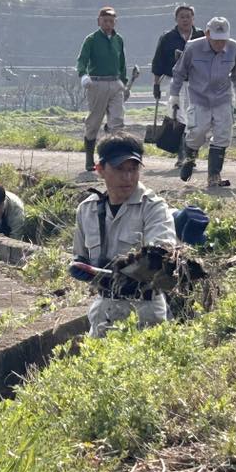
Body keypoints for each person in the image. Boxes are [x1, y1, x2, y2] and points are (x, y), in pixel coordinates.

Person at [70, 133, 176, 338]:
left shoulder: (153, 207)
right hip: (103, 309)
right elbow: (80, 256)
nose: (128, 178)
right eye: (119, 169)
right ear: (100, 169)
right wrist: (79, 267)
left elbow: (161, 256)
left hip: (145, 311)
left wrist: (124, 272)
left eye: (133, 169)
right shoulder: (87, 209)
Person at [170, 16, 236, 188]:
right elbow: (179, 72)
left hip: (223, 98)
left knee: (223, 135)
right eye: (216, 40)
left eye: (223, 40)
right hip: (199, 97)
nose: (220, 44)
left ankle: (214, 176)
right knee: (198, 132)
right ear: (207, 34)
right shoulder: (192, 47)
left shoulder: (234, 47)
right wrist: (174, 95)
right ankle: (189, 157)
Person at [76, 6, 129, 173]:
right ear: (99, 21)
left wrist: (123, 81)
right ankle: (89, 158)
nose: (108, 24)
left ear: (115, 22)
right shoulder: (91, 39)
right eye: (105, 20)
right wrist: (83, 75)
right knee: (94, 121)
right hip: (97, 83)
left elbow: (122, 62)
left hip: (115, 82)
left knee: (117, 122)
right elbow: (82, 60)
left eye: (111, 21)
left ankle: (114, 157)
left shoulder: (118, 39)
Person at [151, 5, 204, 166]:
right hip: (174, 82)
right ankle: (182, 155)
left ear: (193, 18)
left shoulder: (201, 36)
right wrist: (156, 84)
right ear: (176, 19)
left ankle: (192, 153)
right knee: (179, 117)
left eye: (188, 16)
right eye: (182, 17)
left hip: (196, 82)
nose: (185, 19)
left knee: (196, 117)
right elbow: (158, 62)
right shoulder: (168, 37)